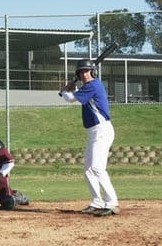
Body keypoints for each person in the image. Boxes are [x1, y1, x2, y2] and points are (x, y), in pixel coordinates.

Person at [59, 59, 119, 217]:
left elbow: (71, 99)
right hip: (94, 132)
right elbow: (76, 96)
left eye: (86, 71)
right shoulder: (86, 87)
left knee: (97, 168)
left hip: (102, 130)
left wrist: (66, 90)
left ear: (92, 72)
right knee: (88, 168)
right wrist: (72, 90)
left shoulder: (94, 85)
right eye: (81, 72)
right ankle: (97, 202)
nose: (84, 74)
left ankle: (111, 202)